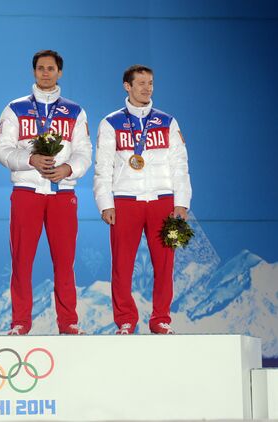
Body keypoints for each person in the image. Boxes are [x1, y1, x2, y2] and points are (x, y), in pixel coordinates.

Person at [0, 50, 92, 335]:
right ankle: (20, 323)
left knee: (65, 261)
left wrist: (68, 170)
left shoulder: (75, 111)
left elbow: (85, 152)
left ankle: (68, 322)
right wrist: (30, 160)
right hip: (27, 190)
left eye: (51, 68)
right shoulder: (15, 108)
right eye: (40, 68)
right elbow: (1, 149)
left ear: (60, 72)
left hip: (62, 193)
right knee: (22, 260)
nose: (46, 73)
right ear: (34, 72)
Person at [93, 64, 192, 335]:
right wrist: (106, 203)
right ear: (127, 86)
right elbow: (102, 168)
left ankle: (161, 319)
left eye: (150, 83)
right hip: (125, 200)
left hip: (162, 200)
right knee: (122, 264)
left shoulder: (167, 122)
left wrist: (181, 202)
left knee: (165, 263)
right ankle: (126, 319)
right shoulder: (110, 122)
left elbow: (180, 165)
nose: (147, 88)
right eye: (141, 83)